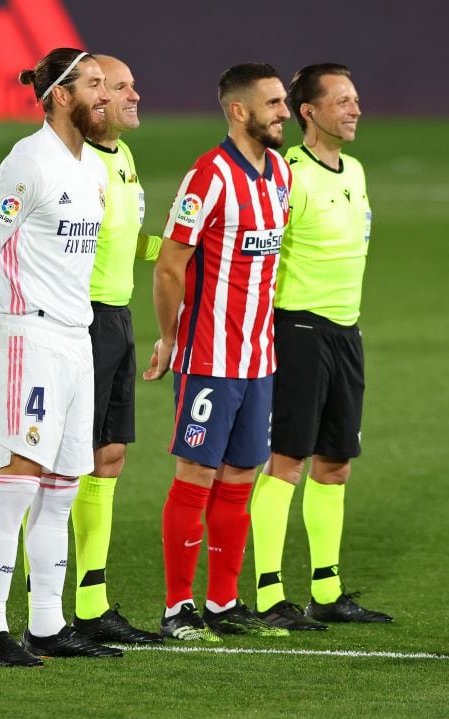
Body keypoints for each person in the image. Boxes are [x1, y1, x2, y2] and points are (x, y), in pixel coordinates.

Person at [0, 47, 123, 666]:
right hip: (29, 336)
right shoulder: (29, 163)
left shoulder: (91, 169)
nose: (104, 96)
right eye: (94, 85)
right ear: (58, 95)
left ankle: (46, 626)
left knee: (62, 488)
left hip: (77, 341)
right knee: (20, 484)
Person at [144, 63, 292, 641]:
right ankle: (178, 607)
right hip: (208, 357)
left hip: (259, 358)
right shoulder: (207, 177)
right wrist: (171, 338)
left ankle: (224, 602)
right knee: (196, 475)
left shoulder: (279, 172)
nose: (283, 112)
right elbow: (168, 267)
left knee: (241, 476)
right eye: (274, 103)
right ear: (239, 111)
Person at [249, 63, 392, 629]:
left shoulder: (354, 170)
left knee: (335, 464)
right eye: (342, 101)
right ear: (308, 112)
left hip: (346, 332)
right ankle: (267, 594)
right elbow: (255, 253)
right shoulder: (286, 175)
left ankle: (327, 592)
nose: (355, 108)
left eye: (356, 98)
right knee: (287, 461)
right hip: (298, 330)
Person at [66, 54, 163, 645]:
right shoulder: (68, 163)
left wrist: (177, 249)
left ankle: (92, 602)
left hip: (117, 317)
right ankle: (49, 605)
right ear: (91, 97)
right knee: (61, 468)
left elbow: (124, 241)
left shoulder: (121, 158)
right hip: (77, 322)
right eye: (118, 87)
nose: (133, 95)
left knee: (110, 457)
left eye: (130, 84)